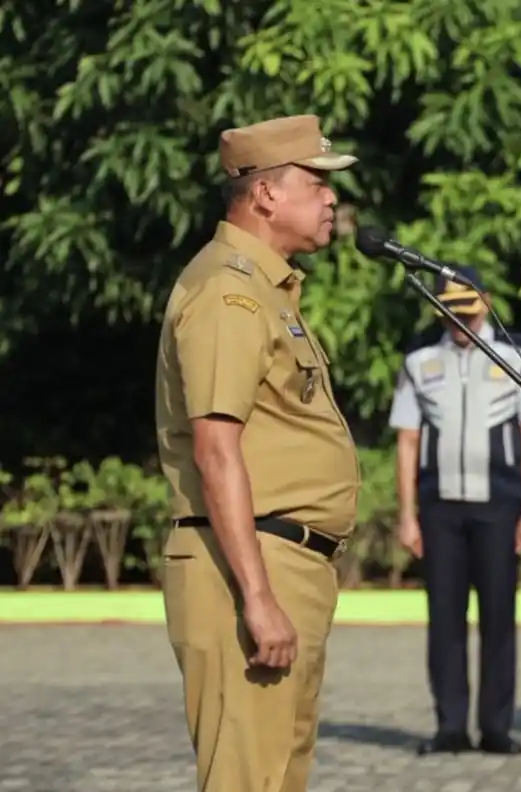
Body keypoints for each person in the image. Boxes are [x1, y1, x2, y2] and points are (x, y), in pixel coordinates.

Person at [154, 114, 361, 792]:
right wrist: (259, 595)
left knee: (278, 775)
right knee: (250, 780)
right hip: (246, 562)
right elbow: (217, 450)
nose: (332, 198)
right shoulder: (229, 293)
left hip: (284, 560)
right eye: (316, 183)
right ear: (266, 195)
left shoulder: (268, 290)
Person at [388, 268, 521, 757]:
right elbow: (408, 439)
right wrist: (408, 514)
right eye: (450, 311)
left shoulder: (518, 352)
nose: (460, 321)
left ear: (486, 303)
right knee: (444, 620)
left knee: (499, 617)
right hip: (440, 508)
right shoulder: (419, 357)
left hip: (499, 504)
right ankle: (450, 726)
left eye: (468, 311)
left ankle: (495, 727)